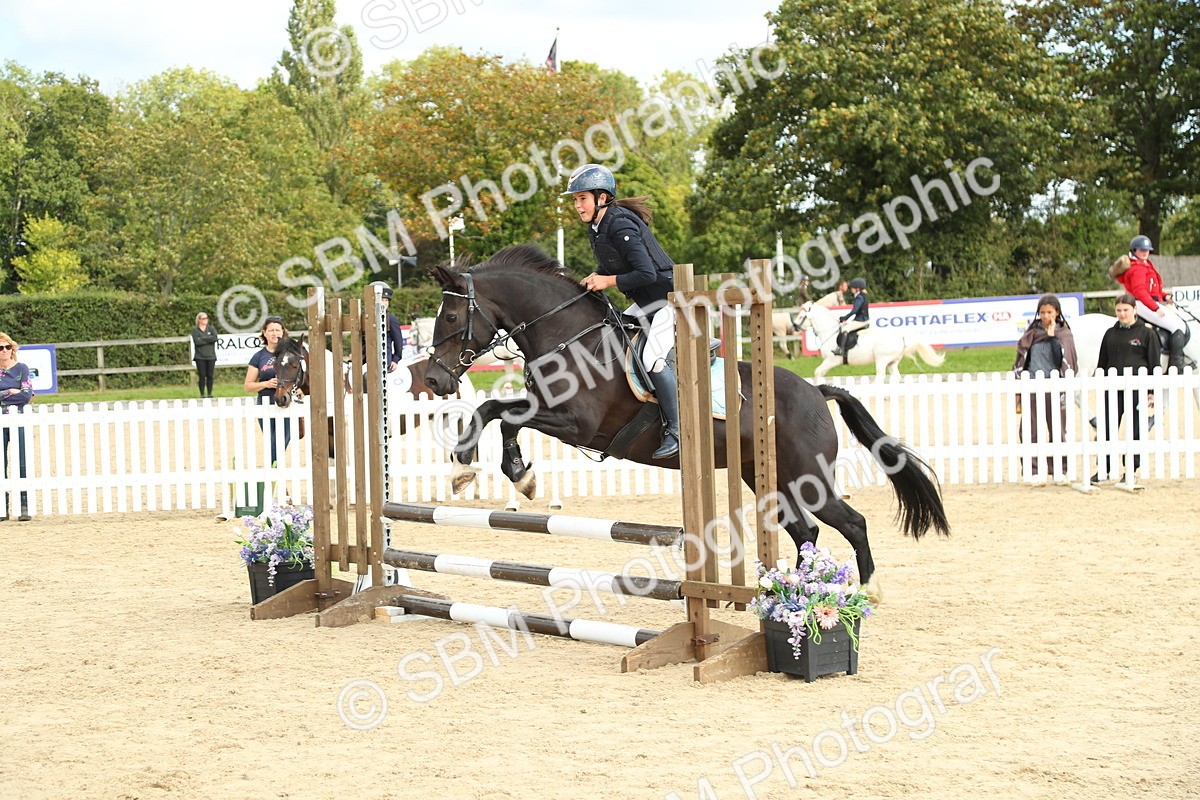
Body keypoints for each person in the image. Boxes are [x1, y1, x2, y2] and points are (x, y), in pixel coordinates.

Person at [566, 163, 679, 460]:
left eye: (582, 199)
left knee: (652, 360)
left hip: (667, 300)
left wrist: (607, 280)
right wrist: (595, 276)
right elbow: (614, 265)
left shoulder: (620, 224)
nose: (577, 206)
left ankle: (676, 430)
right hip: (645, 302)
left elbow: (646, 274)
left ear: (601, 197)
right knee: (613, 338)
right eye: (575, 200)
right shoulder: (598, 227)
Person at [1092, 293, 1161, 484]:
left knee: (1135, 431)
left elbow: (1154, 364)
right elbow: (1102, 363)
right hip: (1112, 390)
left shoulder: (1147, 334)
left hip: (1137, 390)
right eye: (1119, 310)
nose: (1122, 314)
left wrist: (1152, 392)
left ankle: (1131, 469)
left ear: (1134, 310)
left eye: (1126, 310)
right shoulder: (1110, 334)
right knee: (1106, 429)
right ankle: (1103, 469)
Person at [1012, 295, 1078, 481]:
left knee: (1057, 430)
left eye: (1049, 312)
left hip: (1055, 387)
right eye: (1042, 312)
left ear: (1057, 313)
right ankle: (1032, 471)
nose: (1046, 315)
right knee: (1029, 430)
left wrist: (1052, 337)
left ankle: (1059, 469)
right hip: (1032, 386)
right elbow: (1022, 360)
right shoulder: (1031, 333)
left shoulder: (1064, 334)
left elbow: (1064, 360)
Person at [1110, 235, 1187, 371]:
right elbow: (1140, 292)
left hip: (1147, 301)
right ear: (1134, 250)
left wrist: (1165, 296)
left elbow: (1152, 290)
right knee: (1178, 326)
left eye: (1147, 250)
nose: (1145, 252)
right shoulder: (1137, 268)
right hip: (1142, 304)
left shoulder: (1144, 264)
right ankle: (1177, 364)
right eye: (1141, 250)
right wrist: (1155, 307)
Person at [244, 316, 294, 466]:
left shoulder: (291, 354)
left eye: (278, 330)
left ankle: (274, 477)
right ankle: (277, 480)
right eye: (271, 330)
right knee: (272, 441)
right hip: (265, 403)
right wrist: (266, 383)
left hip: (286, 404)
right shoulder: (259, 357)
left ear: (283, 332)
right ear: (264, 333)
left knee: (280, 443)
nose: (275, 333)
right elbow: (248, 385)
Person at [0, 332, 33, 521]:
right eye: (0, 348)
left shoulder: (22, 368)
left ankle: (24, 506)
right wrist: (12, 391)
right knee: (0, 463)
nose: (4, 351)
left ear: (12, 349)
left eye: (7, 347)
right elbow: (19, 393)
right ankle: (2, 508)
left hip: (19, 418)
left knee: (21, 462)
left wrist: (6, 394)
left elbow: (26, 395)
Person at [366, 281, 406, 371]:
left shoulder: (390, 318)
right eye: (381, 299)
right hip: (365, 360)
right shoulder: (364, 317)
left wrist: (395, 359)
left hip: (384, 362)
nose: (384, 303)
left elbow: (398, 340)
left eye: (386, 300)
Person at [832, 277, 869, 358]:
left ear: (857, 288)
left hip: (861, 321)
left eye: (852, 287)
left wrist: (845, 317)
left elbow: (854, 311)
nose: (851, 289)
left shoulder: (859, 297)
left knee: (845, 329)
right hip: (861, 319)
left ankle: (841, 349)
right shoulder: (863, 295)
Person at [191, 311, 218, 398]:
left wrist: (203, 338)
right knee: (202, 375)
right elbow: (197, 342)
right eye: (203, 318)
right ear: (199, 320)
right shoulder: (195, 330)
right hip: (200, 356)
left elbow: (214, 338)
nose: (205, 320)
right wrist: (208, 339)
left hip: (211, 356)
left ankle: (209, 393)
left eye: (206, 318)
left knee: (210, 375)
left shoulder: (211, 328)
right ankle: (202, 393)